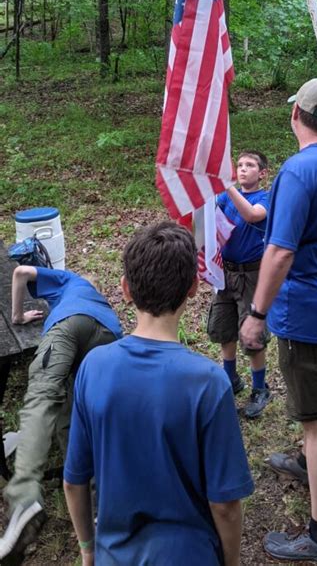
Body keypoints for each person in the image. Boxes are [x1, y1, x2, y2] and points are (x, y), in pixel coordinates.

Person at [63, 221, 254, 566]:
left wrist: (88, 550)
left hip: (114, 555)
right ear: (194, 288)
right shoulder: (208, 382)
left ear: (125, 289)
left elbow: (74, 481)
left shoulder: (94, 367)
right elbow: (225, 505)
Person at [240, 78, 317, 564]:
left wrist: (256, 314)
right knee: (316, 403)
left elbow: (279, 251)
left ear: (296, 115)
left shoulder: (298, 170)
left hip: (306, 309)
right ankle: (304, 461)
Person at [0, 265, 122, 564]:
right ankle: (100, 511)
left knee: (43, 394)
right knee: (86, 417)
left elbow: (19, 273)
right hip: (111, 336)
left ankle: (24, 495)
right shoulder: (102, 303)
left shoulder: (70, 282)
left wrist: (17, 316)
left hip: (70, 328)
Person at [207, 150, 271, 418]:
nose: (243, 169)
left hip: (251, 274)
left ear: (262, 173)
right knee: (224, 327)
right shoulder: (226, 197)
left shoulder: (265, 197)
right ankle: (230, 378)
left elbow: (252, 216)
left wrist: (228, 188)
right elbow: (208, 215)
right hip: (226, 272)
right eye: (240, 165)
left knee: (252, 333)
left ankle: (259, 387)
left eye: (250, 165)